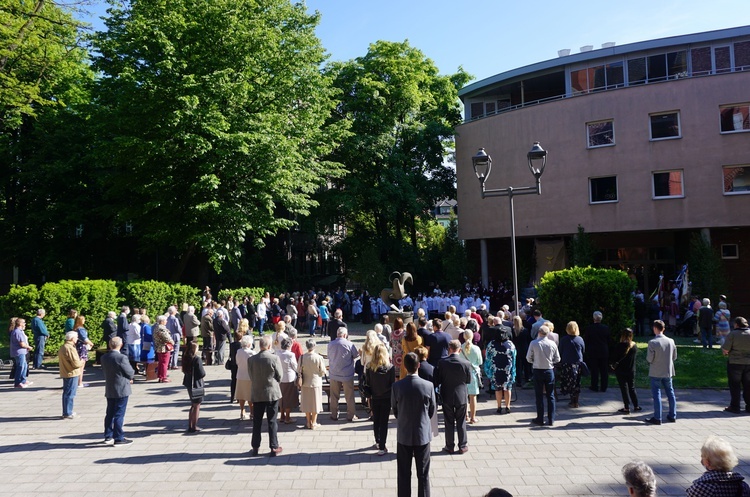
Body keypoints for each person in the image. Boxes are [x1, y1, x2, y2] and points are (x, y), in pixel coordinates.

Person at [392, 352, 436, 497]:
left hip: (404, 433)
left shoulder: (397, 386)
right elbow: (432, 410)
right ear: (419, 365)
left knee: (403, 474)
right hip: (422, 434)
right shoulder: (428, 386)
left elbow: (395, 410)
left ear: (404, 366)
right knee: (423, 474)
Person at [434, 340, 472, 454]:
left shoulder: (442, 362)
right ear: (459, 349)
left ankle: (449, 446)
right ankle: (462, 445)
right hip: (461, 395)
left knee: (448, 421)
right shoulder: (466, 363)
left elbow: (437, 379)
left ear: (449, 349)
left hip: (447, 395)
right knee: (461, 421)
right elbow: (468, 380)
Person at [248, 335, 283, 456]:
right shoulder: (274, 358)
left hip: (257, 393)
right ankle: (274, 446)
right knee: (272, 421)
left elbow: (251, 375)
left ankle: (255, 447)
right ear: (269, 346)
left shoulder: (251, 359)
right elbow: (280, 376)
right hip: (271, 393)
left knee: (257, 421)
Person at [101, 337, 135, 445]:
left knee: (109, 413)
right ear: (120, 345)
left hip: (110, 387)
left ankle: (108, 435)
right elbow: (130, 372)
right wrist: (129, 378)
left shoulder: (104, 357)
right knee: (119, 414)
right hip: (122, 388)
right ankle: (119, 437)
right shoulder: (121, 358)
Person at [526, 325, 560, 426]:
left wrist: (534, 361)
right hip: (549, 370)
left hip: (537, 370)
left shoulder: (534, 343)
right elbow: (558, 359)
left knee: (539, 395)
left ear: (539, 332)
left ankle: (540, 418)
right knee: (550, 395)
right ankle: (551, 419)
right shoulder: (552, 343)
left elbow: (528, 357)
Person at [645, 320, 677, 425]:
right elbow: (674, 357)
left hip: (656, 371)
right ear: (663, 329)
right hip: (668, 371)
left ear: (655, 328)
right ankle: (673, 415)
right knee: (670, 393)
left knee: (656, 395)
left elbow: (649, 359)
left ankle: (657, 417)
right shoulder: (671, 341)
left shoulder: (652, 342)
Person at [366, 343, 396, 455]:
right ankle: (382, 446)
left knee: (376, 420)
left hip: (375, 396)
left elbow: (368, 383)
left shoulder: (370, 367)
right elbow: (392, 383)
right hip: (386, 397)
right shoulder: (390, 367)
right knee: (384, 422)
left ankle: (378, 441)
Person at [328, 327, 360, 421]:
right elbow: (356, 355)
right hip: (347, 374)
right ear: (345, 335)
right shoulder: (349, 344)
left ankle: (334, 414)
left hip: (334, 373)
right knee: (349, 396)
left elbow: (329, 356)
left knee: (334, 395)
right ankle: (351, 415)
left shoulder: (330, 344)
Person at [722, 316, 750, 414]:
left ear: (736, 324)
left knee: (735, 385)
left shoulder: (733, 334)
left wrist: (726, 353)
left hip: (735, 363)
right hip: (749, 363)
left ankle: (735, 407)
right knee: (748, 385)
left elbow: (725, 350)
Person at [484, 327, 516, 414]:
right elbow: (514, 358)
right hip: (507, 369)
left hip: (495, 369)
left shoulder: (491, 344)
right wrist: (514, 370)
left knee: (498, 389)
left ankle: (499, 407)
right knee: (507, 388)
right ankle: (507, 406)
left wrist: (488, 370)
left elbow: (487, 358)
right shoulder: (510, 344)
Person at [611, 328, 641, 414]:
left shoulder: (619, 346)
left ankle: (626, 407)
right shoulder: (634, 346)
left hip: (621, 370)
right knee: (632, 387)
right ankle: (636, 405)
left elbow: (614, 358)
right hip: (631, 370)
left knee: (624, 388)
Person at [300, 338, 326, 429]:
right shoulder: (319, 357)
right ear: (314, 346)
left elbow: (298, 370)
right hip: (316, 382)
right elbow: (323, 371)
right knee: (315, 403)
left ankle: (308, 421)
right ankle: (314, 422)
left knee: (307, 403)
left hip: (305, 382)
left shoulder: (302, 357)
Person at [558, 321, 585, 408]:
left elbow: (560, 350)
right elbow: (583, 350)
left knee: (569, 382)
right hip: (577, 363)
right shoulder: (580, 339)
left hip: (567, 363)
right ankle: (576, 401)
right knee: (577, 382)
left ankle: (572, 400)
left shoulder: (564, 339)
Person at [58, 331, 84, 419]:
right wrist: (82, 361)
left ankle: (67, 411)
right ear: (72, 338)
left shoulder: (64, 346)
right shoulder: (70, 348)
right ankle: (68, 412)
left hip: (66, 372)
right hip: (71, 373)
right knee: (70, 394)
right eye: (76, 337)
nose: (77, 339)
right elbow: (76, 363)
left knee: (67, 393)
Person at [460, 329, 483, 423]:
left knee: (464, 397)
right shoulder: (476, 348)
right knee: (473, 397)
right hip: (473, 374)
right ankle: (473, 417)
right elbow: (480, 362)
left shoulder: (460, 347)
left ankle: (465, 416)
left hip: (462, 373)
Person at [584, 311, 610, 392]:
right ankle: (604, 386)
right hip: (603, 350)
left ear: (593, 318)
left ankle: (594, 386)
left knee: (594, 370)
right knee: (604, 370)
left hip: (593, 351)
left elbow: (586, 340)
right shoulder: (606, 328)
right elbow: (609, 340)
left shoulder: (589, 328)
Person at [182, 341, 205, 433]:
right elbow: (202, 373)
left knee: (192, 404)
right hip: (196, 383)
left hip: (188, 382)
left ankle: (190, 424)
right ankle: (194, 426)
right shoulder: (196, 359)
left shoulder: (185, 357)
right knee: (197, 405)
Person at [278, 338, 299, 425]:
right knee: (289, 398)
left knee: (281, 397)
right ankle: (287, 417)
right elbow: (295, 367)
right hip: (289, 378)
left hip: (280, 378)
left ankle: (282, 416)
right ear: (289, 346)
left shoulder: (277, 353)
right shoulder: (291, 355)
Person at [235, 334, 255, 420]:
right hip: (249, 376)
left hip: (240, 375)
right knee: (250, 395)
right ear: (250, 344)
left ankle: (242, 411)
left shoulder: (238, 351)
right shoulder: (252, 353)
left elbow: (237, 362)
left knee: (241, 394)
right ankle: (252, 412)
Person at [10, 317, 33, 388]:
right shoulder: (18, 332)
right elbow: (22, 344)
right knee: (20, 367)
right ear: (20, 324)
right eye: (24, 323)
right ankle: (17, 383)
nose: (25, 324)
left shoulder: (20, 331)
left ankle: (23, 380)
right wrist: (28, 347)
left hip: (22, 351)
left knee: (24, 366)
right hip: (19, 352)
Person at [153, 315, 174, 383]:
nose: (166, 321)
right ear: (162, 321)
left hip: (159, 347)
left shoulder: (156, 327)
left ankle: (160, 376)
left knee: (161, 363)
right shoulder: (161, 328)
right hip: (163, 348)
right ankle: (163, 377)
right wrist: (172, 342)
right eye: (165, 320)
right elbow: (166, 338)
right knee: (165, 363)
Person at [74, 315, 94, 388]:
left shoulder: (75, 328)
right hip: (82, 347)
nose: (84, 321)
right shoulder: (81, 329)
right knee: (81, 366)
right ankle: (80, 383)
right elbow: (85, 338)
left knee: (79, 365)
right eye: (83, 319)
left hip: (78, 347)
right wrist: (91, 343)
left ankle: (78, 382)